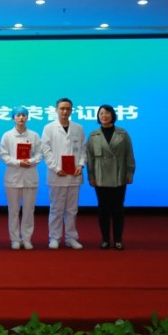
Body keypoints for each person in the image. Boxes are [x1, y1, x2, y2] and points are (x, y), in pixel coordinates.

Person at [86, 104, 136, 251]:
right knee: (103, 209)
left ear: (112, 115)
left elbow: (129, 155)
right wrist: (91, 176)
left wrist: (129, 173)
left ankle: (118, 240)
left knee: (118, 209)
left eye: (107, 113)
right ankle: (105, 240)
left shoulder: (123, 134)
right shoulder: (93, 135)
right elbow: (90, 158)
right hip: (100, 176)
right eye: (101, 113)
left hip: (119, 176)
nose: (104, 116)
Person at [41, 97, 86, 250]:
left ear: (71, 110)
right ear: (56, 110)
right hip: (57, 174)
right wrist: (55, 168)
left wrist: (80, 164)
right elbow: (45, 150)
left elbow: (83, 149)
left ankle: (71, 238)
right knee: (56, 208)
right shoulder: (49, 128)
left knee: (72, 209)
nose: (65, 111)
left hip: (74, 174)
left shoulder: (78, 128)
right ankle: (54, 238)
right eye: (62, 108)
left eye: (68, 109)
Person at [0, 106, 43, 250]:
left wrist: (30, 161)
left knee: (29, 210)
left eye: (24, 115)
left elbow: (40, 154)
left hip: (30, 176)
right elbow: (3, 155)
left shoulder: (34, 135)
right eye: (18, 115)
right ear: (13, 118)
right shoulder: (7, 136)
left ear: (27, 117)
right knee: (13, 210)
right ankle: (15, 239)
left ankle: (27, 239)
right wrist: (18, 162)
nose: (21, 118)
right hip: (13, 177)